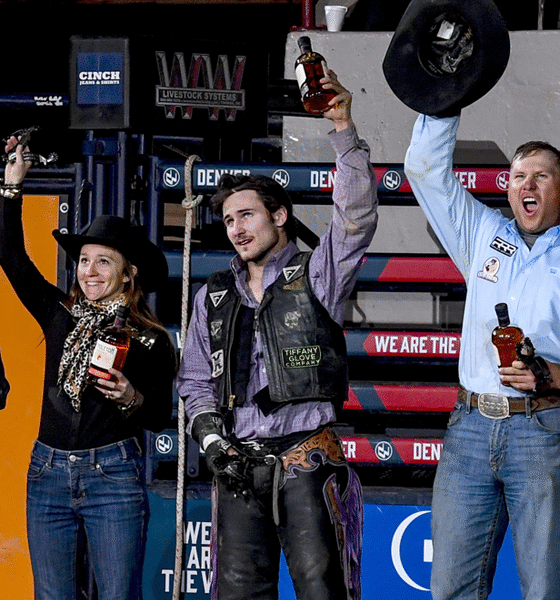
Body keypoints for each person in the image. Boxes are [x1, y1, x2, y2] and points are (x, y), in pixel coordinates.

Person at [177, 69, 378, 600]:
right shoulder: (211, 296)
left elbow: (355, 218)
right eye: (227, 220)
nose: (237, 228)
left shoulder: (318, 274)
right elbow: (195, 383)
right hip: (238, 463)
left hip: (308, 458)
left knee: (324, 590)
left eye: (247, 215)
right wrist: (213, 441)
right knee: (238, 594)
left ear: (280, 216)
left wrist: (342, 128)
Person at [0, 135, 176, 600]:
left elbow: (160, 416)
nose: (89, 271)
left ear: (128, 272)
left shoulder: (151, 339)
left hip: (112, 478)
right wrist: (11, 187)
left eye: (103, 261)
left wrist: (131, 397)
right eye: (82, 260)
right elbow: (12, 258)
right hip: (47, 473)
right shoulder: (59, 313)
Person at [405, 113, 560, 599]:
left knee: (543, 588)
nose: (526, 184)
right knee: (450, 588)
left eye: (541, 175)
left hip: (543, 430)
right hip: (469, 429)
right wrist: (442, 100)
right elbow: (425, 168)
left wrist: (554, 374)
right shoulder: (482, 233)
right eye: (518, 176)